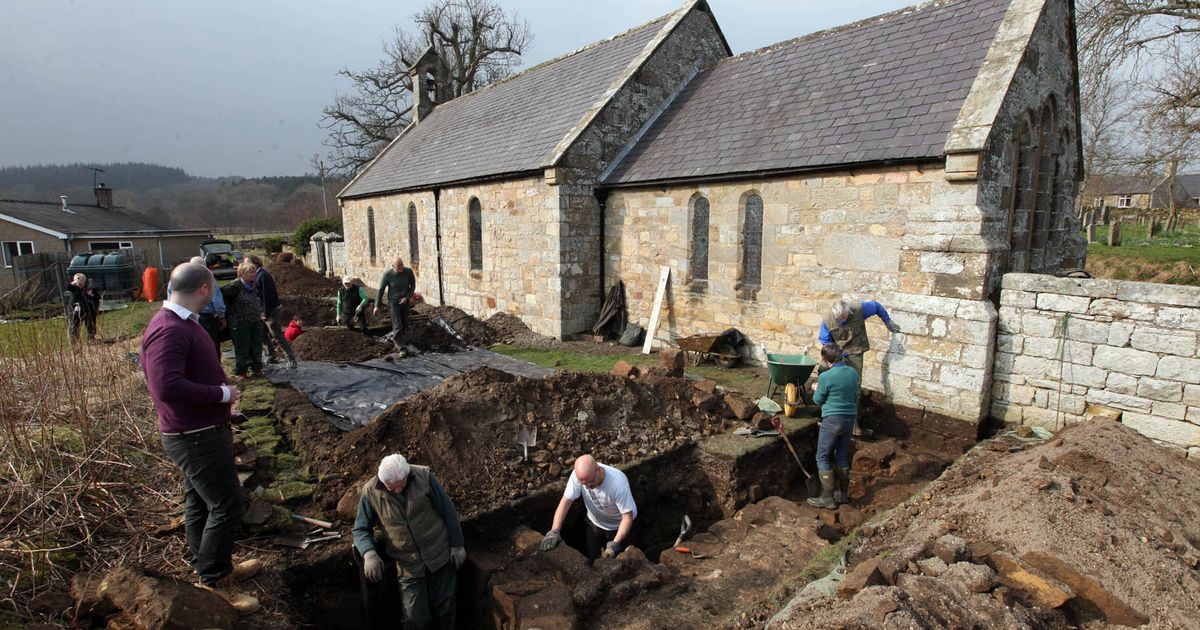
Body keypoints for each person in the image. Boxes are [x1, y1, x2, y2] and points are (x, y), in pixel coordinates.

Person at [141, 262, 261, 615]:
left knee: (199, 503)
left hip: (198, 428)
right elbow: (165, 386)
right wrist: (221, 395)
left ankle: (208, 563)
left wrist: (222, 411)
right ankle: (212, 580)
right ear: (205, 291)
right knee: (227, 505)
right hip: (194, 436)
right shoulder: (170, 330)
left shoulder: (177, 324)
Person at [353, 454, 465, 630]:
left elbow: (448, 511)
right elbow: (360, 529)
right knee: (415, 619)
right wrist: (368, 553)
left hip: (439, 554)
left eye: (401, 485)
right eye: (393, 488)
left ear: (407, 474)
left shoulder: (424, 477)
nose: (398, 490)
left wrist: (457, 544)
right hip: (408, 565)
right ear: (383, 481)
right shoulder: (370, 492)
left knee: (445, 608)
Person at [540, 455, 637, 561]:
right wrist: (554, 530)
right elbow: (566, 501)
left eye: (590, 482)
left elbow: (627, 517)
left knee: (623, 561)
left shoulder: (617, 483)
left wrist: (615, 543)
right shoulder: (580, 476)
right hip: (594, 525)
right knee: (593, 558)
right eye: (583, 484)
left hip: (619, 527)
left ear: (598, 470)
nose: (587, 486)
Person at [807, 343, 860, 510]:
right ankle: (843, 495)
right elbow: (853, 394)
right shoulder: (853, 372)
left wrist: (816, 388)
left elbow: (817, 401)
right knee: (842, 455)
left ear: (825, 359)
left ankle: (827, 498)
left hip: (832, 419)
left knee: (822, 457)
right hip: (849, 418)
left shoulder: (826, 377)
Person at [817, 298, 901, 376]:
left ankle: (854, 392)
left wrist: (887, 321)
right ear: (834, 314)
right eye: (840, 318)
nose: (843, 320)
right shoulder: (828, 319)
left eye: (845, 317)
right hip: (836, 350)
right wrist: (834, 354)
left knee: (854, 377)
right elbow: (824, 339)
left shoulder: (859, 309)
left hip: (855, 349)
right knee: (824, 370)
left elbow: (876, 306)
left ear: (848, 311)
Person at [249, 255, 296, 369]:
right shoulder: (257, 275)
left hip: (271, 310)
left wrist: (265, 313)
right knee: (262, 333)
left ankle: (291, 359)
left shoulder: (263, 276)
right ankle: (271, 355)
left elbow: (266, 296)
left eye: (248, 263)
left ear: (255, 264)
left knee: (276, 334)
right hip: (263, 310)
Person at [224, 263, 265, 379]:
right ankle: (242, 371)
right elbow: (225, 301)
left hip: (255, 320)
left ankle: (257, 368)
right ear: (242, 274)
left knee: (256, 346)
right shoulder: (235, 287)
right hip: (240, 322)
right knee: (242, 348)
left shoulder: (254, 286)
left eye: (254, 272)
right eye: (250, 272)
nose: (253, 275)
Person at [373, 257, 415, 344]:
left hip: (405, 301)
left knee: (405, 323)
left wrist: (406, 298)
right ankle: (401, 347)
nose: (401, 267)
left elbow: (412, 287)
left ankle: (404, 342)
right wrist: (377, 305)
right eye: (399, 266)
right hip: (393, 302)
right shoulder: (387, 275)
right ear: (393, 266)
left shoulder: (408, 272)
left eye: (402, 265)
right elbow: (381, 290)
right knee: (397, 325)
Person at [65, 273, 101, 341]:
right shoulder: (74, 288)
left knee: (91, 324)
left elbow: (97, 296)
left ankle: (91, 338)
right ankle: (74, 341)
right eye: (79, 280)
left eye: (82, 280)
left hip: (88, 310)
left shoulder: (87, 288)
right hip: (76, 310)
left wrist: (92, 295)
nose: (81, 282)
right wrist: (75, 282)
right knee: (76, 325)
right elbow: (68, 287)